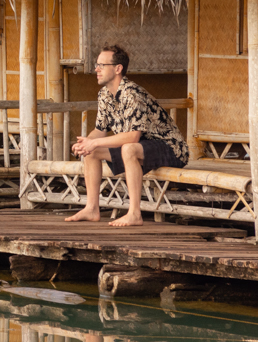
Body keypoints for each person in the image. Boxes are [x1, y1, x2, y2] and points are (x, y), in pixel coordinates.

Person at [65, 43, 188, 226]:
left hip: (170, 148)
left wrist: (95, 143)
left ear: (118, 68)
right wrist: (88, 142)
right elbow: (100, 129)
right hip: (142, 147)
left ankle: (134, 213)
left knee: (128, 148)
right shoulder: (104, 94)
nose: (96, 69)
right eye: (96, 65)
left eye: (101, 65)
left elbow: (132, 137)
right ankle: (92, 208)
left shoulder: (132, 94)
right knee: (91, 151)